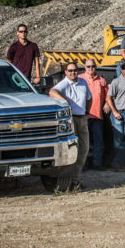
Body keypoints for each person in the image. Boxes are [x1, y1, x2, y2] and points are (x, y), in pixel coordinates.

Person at [49, 62, 91, 190]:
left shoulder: (83, 82)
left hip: (82, 118)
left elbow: (89, 98)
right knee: (72, 150)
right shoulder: (64, 83)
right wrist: (64, 101)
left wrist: (87, 112)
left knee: (84, 149)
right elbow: (52, 92)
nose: (73, 73)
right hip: (71, 119)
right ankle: (70, 181)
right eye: (70, 70)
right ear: (66, 72)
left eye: (75, 70)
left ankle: (76, 179)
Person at [79, 59, 109, 170]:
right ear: (84, 68)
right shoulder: (80, 79)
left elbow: (108, 95)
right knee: (84, 142)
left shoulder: (101, 80)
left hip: (97, 116)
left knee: (98, 141)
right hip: (84, 116)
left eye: (93, 66)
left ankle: (97, 163)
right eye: (88, 66)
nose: (91, 68)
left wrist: (107, 104)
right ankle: (84, 164)